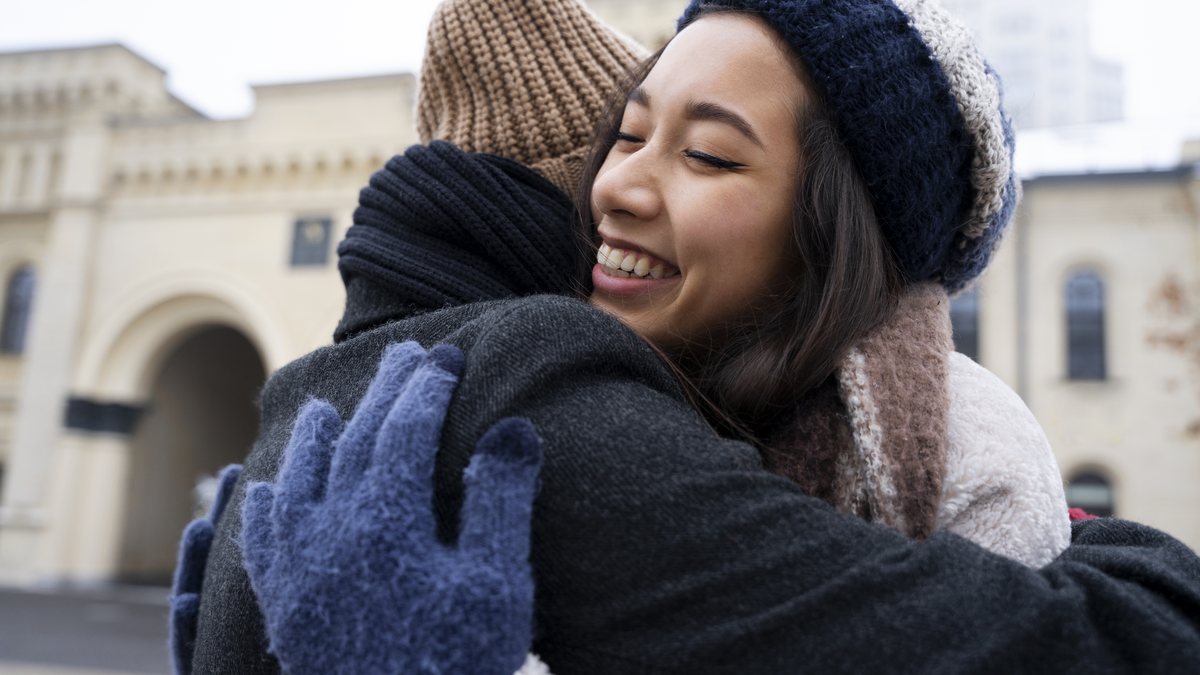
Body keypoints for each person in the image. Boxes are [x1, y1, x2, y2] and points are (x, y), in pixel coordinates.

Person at [181, 0, 1200, 673]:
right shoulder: (535, 394)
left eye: (706, 154)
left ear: (832, 234)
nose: (618, 185)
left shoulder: (336, 385)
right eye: (624, 135)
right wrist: (1094, 541)